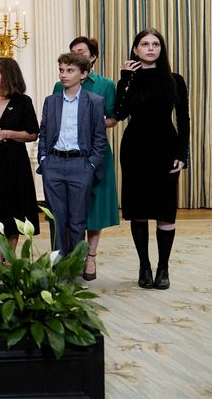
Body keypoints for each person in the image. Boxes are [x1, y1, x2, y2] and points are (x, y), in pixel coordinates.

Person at [115, 28, 189, 290]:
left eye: (155, 44)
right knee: (139, 211)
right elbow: (119, 112)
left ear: (161, 49)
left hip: (166, 150)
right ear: (135, 49)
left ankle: (163, 268)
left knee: (166, 211)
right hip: (134, 150)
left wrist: (183, 154)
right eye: (144, 44)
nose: (150, 48)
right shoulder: (129, 79)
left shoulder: (175, 80)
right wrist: (125, 78)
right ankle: (144, 266)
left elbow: (183, 120)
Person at [53, 36, 119, 279]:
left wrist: (96, 122)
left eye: (81, 53)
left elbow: (113, 117)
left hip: (95, 153)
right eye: (72, 53)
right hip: (67, 156)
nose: (76, 56)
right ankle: (69, 257)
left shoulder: (105, 85)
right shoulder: (59, 85)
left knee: (95, 207)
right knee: (68, 209)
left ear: (92, 57)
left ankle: (90, 257)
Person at [38, 53, 107, 258]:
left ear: (83, 74)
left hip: (81, 165)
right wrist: (44, 159)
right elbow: (44, 133)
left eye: (70, 70)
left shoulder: (94, 101)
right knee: (56, 219)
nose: (64, 75)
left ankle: (75, 265)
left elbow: (99, 138)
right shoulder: (51, 101)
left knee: (77, 221)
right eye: (61, 70)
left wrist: (91, 165)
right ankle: (58, 266)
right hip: (54, 164)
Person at [0, 57, 39, 261]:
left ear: (8, 76)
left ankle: (8, 259)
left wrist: (7, 134)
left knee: (13, 213)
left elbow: (32, 133)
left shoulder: (23, 101)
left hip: (14, 166)